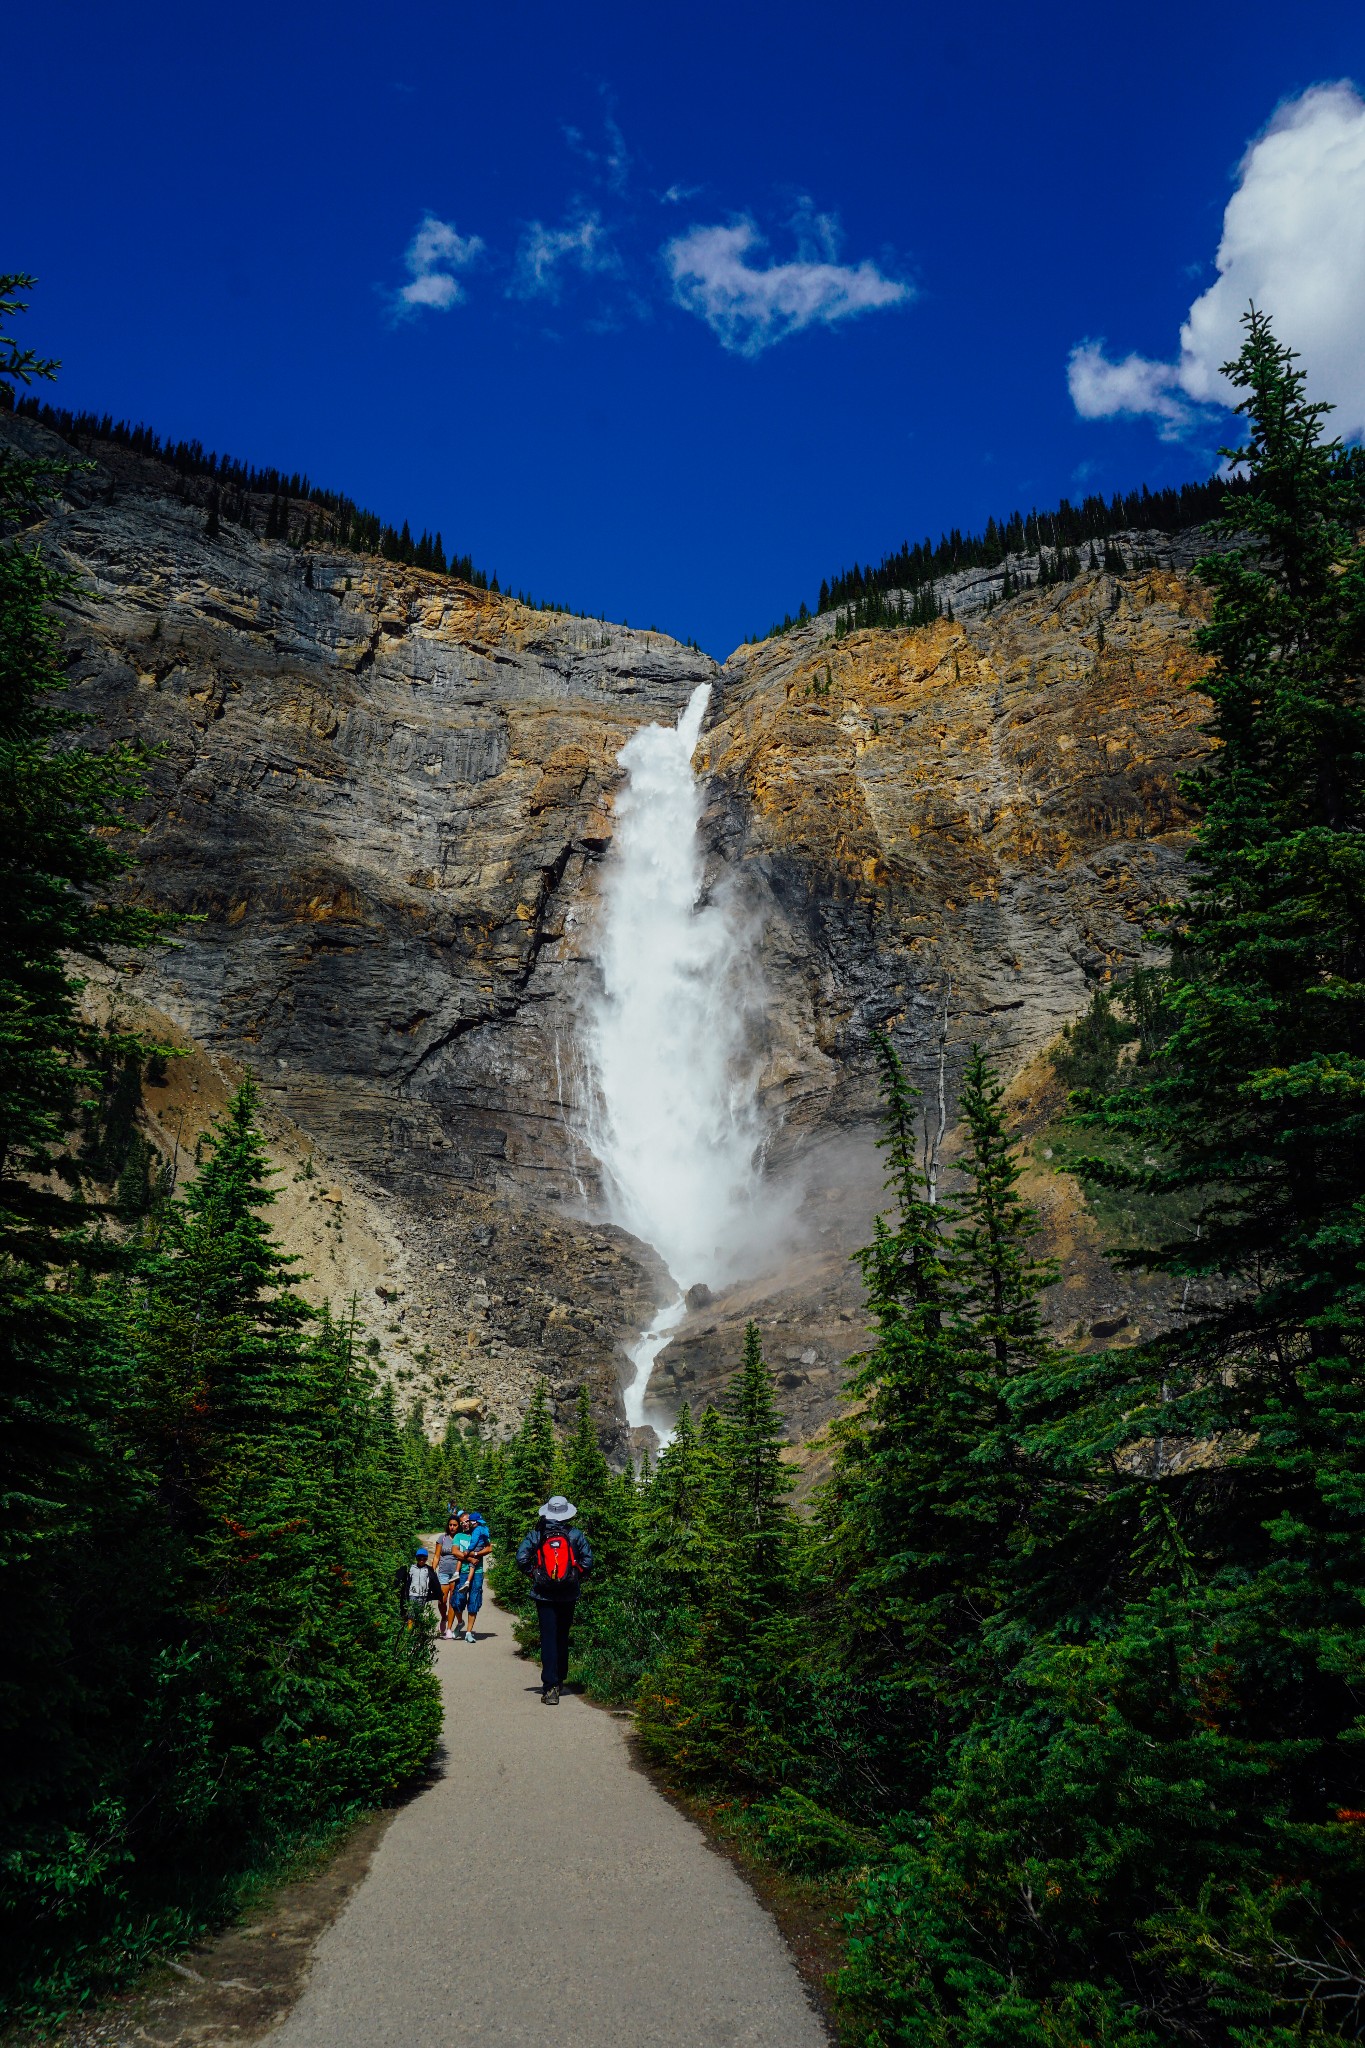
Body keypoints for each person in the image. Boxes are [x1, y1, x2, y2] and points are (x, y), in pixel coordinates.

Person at [515, 1494, 592, 1705]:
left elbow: (521, 1558)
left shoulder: (537, 1534)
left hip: (544, 1594)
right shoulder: (575, 1534)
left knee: (548, 1638)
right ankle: (560, 1679)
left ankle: (550, 1687)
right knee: (562, 1636)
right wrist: (574, 1576)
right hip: (568, 1594)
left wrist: (536, 1575)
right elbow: (588, 1561)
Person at [450, 1509, 492, 1642]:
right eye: (462, 1522)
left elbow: (489, 1548)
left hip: (477, 1573)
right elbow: (455, 1551)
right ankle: (460, 1622)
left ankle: (468, 1632)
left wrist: (475, 1555)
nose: (465, 1524)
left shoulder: (479, 1532)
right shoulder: (458, 1536)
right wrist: (469, 1559)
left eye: (467, 1521)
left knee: (474, 1601)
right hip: (462, 1572)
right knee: (458, 1601)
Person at [431, 1514, 473, 1639]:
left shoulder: (462, 1538)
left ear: (458, 1526)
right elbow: (437, 1555)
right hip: (443, 1572)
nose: (452, 1527)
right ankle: (443, 1618)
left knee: (452, 1601)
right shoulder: (442, 1538)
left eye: (455, 1525)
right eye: (450, 1525)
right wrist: (432, 1570)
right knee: (441, 1599)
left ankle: (449, 1628)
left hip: (456, 1573)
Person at [394, 1545, 443, 1628]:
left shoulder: (428, 1570)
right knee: (411, 1614)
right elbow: (403, 1578)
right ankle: (409, 1632)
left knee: (418, 1614)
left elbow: (435, 1582)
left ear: (426, 1559)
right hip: (412, 1595)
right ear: (416, 1558)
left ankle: (415, 1631)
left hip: (423, 1595)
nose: (421, 1560)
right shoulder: (411, 1568)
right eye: (419, 1558)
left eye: (424, 1558)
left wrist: (439, 1595)